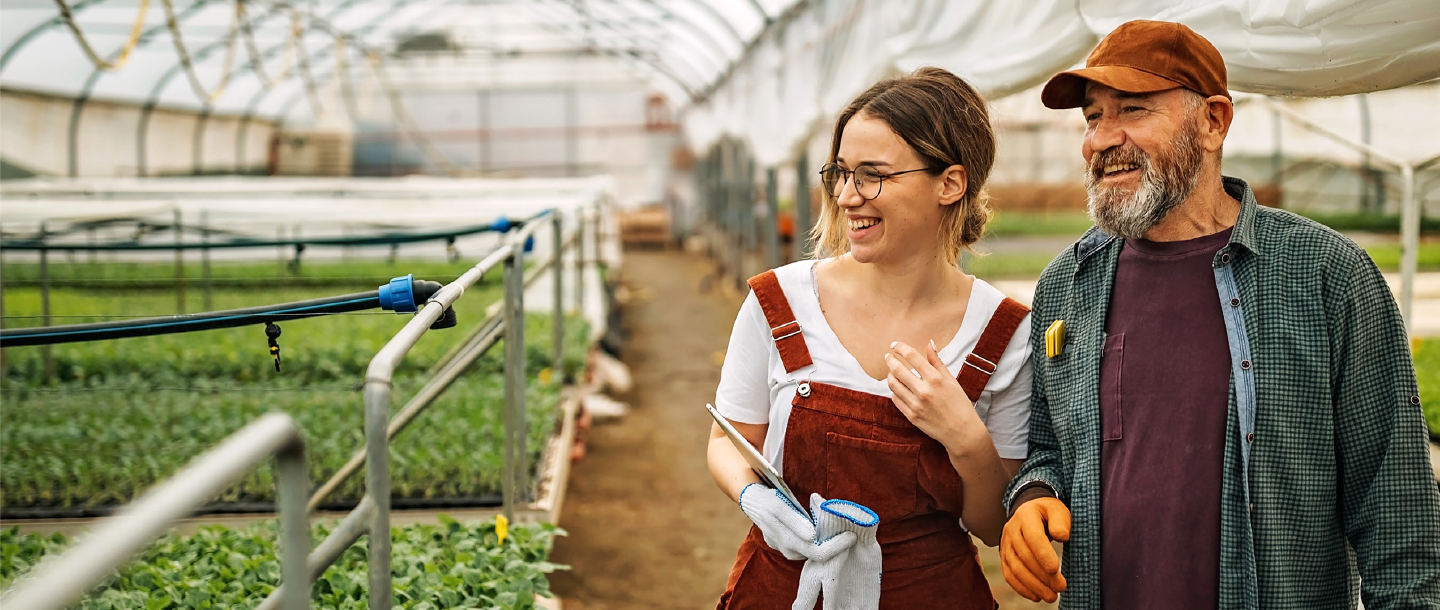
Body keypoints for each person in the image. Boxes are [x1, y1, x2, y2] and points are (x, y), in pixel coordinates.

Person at [999, 20, 1440, 609]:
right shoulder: (1066, 284)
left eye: (1131, 110)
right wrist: (1033, 493)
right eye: (1092, 117)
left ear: (1214, 121)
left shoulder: (1327, 276)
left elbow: (1397, 508)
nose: (1100, 139)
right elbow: (1052, 444)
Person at [707, 67, 1034, 609]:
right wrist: (753, 498)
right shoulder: (780, 302)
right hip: (784, 587)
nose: (845, 195)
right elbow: (727, 440)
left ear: (949, 184)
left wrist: (967, 440)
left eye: (871, 175)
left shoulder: (1003, 333)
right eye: (840, 172)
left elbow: (992, 524)